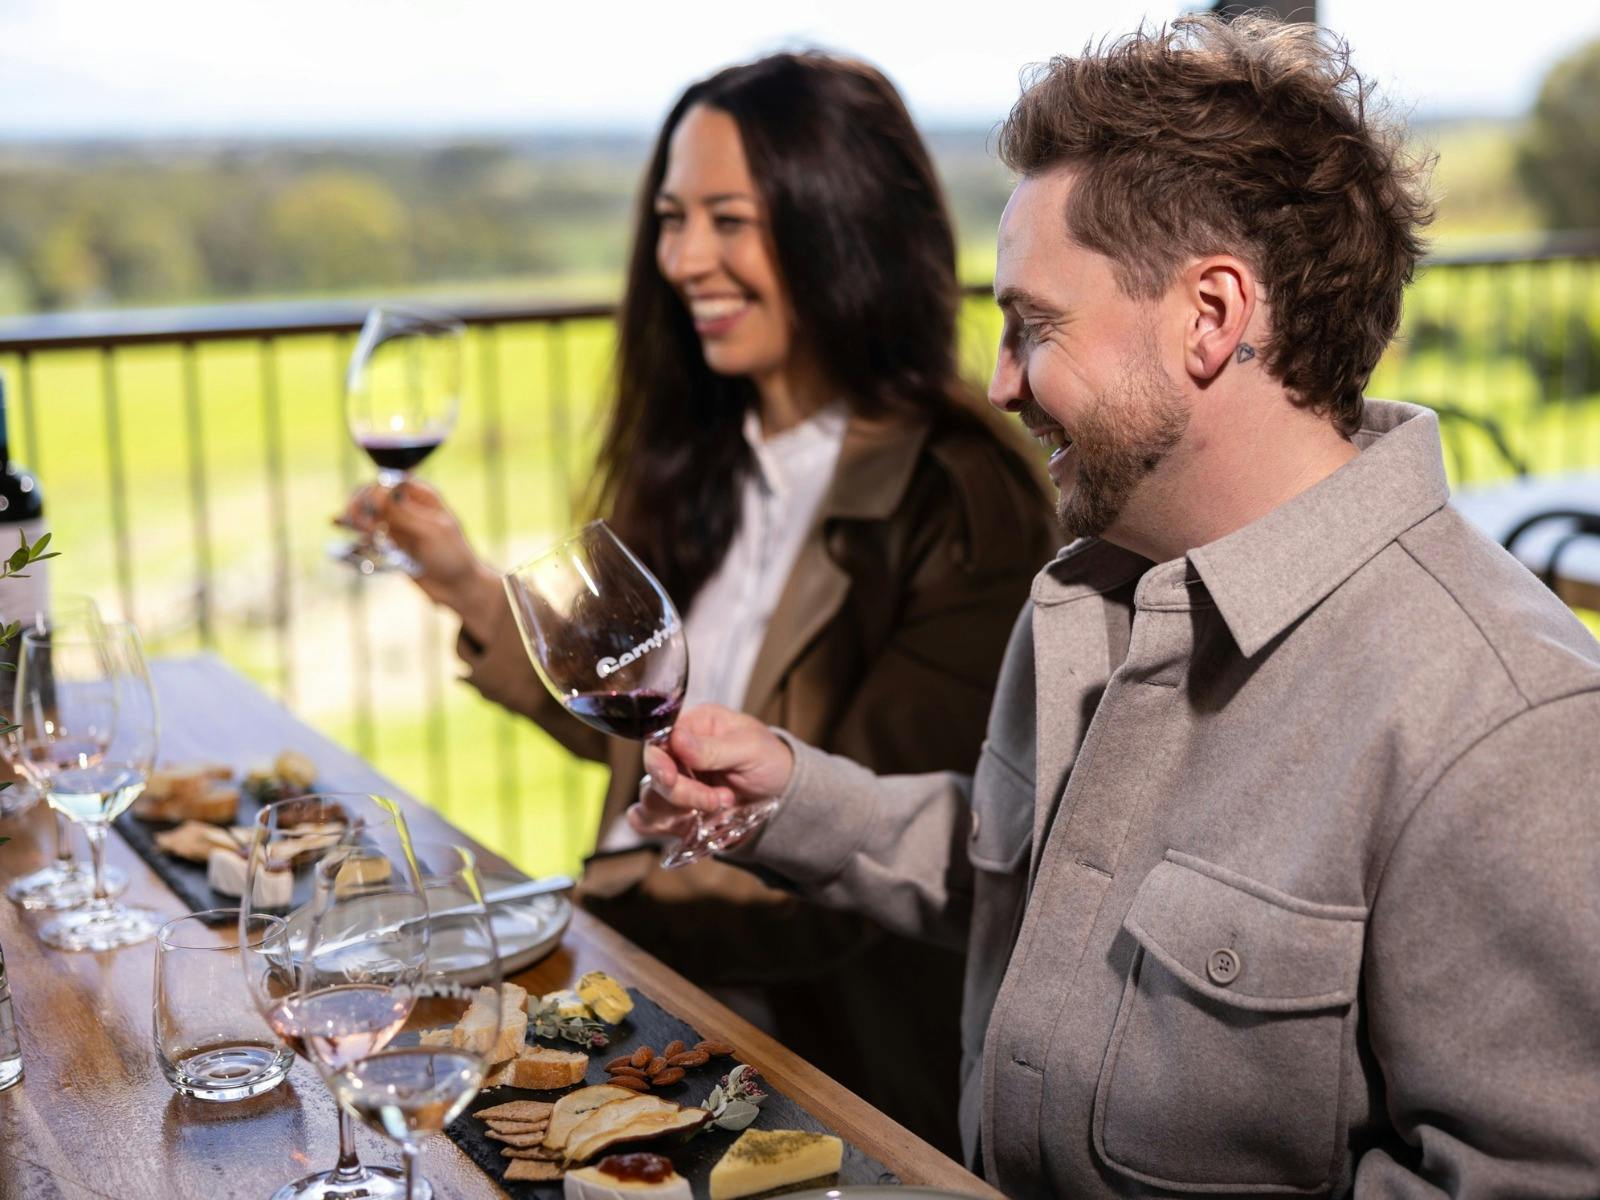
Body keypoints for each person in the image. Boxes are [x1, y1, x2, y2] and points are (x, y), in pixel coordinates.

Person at [630, 17, 1600, 1197]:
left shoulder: (1505, 721)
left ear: (1210, 316)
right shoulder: (1097, 587)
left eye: (1032, 327)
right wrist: (793, 796)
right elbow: (1040, 882)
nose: (996, 383)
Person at [343, 52, 1052, 1154]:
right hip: (658, 981)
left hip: (820, 1047)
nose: (680, 258)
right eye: (673, 219)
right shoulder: (707, 455)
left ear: (843, 222)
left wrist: (575, 938)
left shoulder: (962, 498)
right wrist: (469, 587)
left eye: (730, 220)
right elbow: (649, 738)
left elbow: (846, 844)